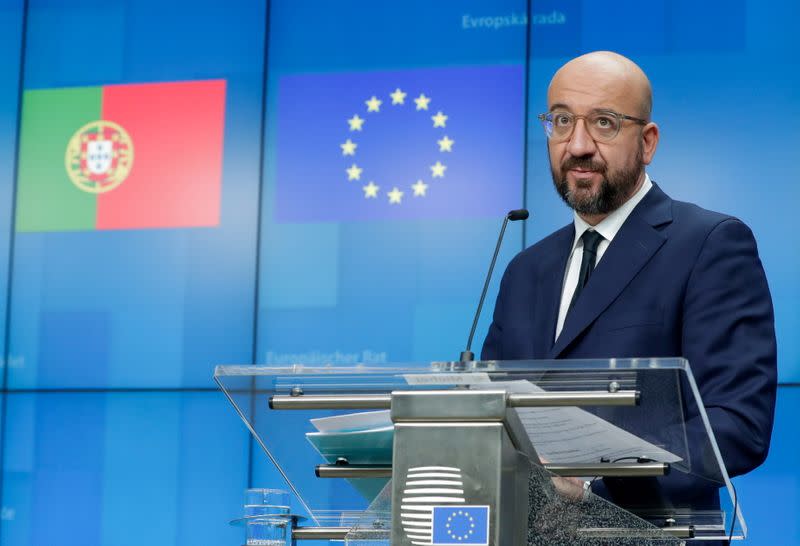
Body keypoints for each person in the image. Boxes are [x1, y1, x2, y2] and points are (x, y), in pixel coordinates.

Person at [481, 51, 777, 519]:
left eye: (603, 122)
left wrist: (595, 484)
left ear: (648, 141)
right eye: (561, 121)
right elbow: (489, 419)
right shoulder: (524, 270)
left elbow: (736, 424)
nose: (577, 145)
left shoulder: (709, 245)